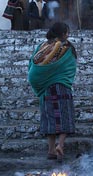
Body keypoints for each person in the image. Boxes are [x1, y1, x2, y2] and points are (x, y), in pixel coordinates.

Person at [28, 22, 77, 162]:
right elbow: (71, 65)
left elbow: (32, 64)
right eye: (67, 32)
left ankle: (50, 150)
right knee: (64, 116)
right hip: (62, 86)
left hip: (46, 88)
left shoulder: (42, 47)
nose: (68, 35)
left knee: (50, 118)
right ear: (62, 33)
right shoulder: (67, 47)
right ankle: (60, 145)